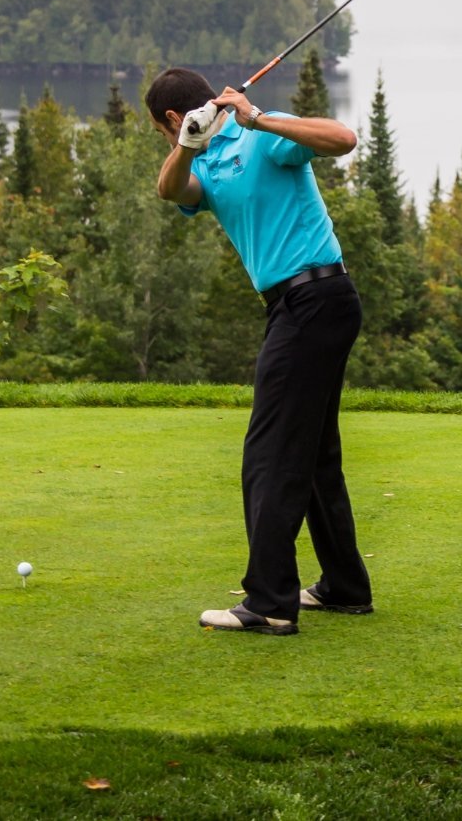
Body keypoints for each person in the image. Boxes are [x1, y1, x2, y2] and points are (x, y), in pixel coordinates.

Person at [145, 66, 375, 635]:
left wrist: (258, 116)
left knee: (269, 455)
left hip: (317, 298)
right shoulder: (202, 158)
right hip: (294, 307)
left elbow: (344, 140)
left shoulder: (261, 135)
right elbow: (170, 191)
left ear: (170, 116)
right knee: (315, 454)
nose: (166, 140)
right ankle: (344, 586)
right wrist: (184, 146)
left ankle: (270, 601)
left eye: (161, 131)